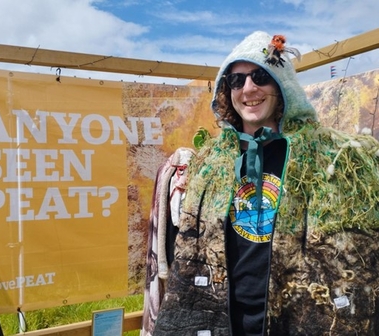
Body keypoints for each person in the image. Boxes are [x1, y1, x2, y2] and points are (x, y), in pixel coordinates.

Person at [152, 31, 379, 335]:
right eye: (236, 80)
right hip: (225, 321)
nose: (248, 88)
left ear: (282, 84)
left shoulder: (330, 159)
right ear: (226, 91)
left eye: (260, 76)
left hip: (297, 320)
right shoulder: (211, 164)